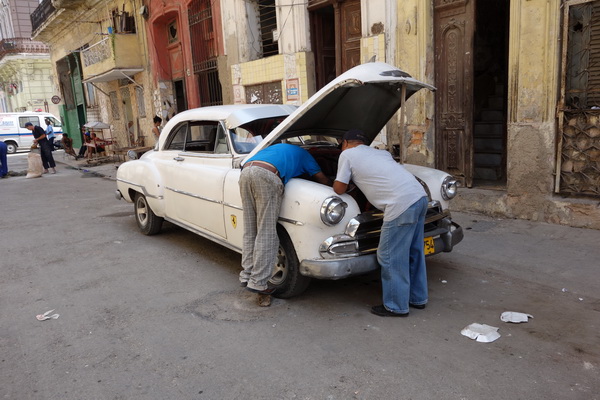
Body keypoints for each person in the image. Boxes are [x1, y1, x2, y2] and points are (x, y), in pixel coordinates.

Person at [333, 129, 428, 317]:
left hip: (400, 204)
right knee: (414, 250)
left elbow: (339, 188)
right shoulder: (381, 153)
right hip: (420, 197)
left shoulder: (347, 155)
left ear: (345, 143)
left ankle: (395, 306)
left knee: (388, 255)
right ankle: (418, 298)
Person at [240, 143, 330, 306]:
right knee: (267, 232)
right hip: (267, 176)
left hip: (246, 172)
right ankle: (258, 282)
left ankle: (246, 274)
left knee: (250, 229)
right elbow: (321, 178)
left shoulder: (278, 148)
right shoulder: (305, 155)